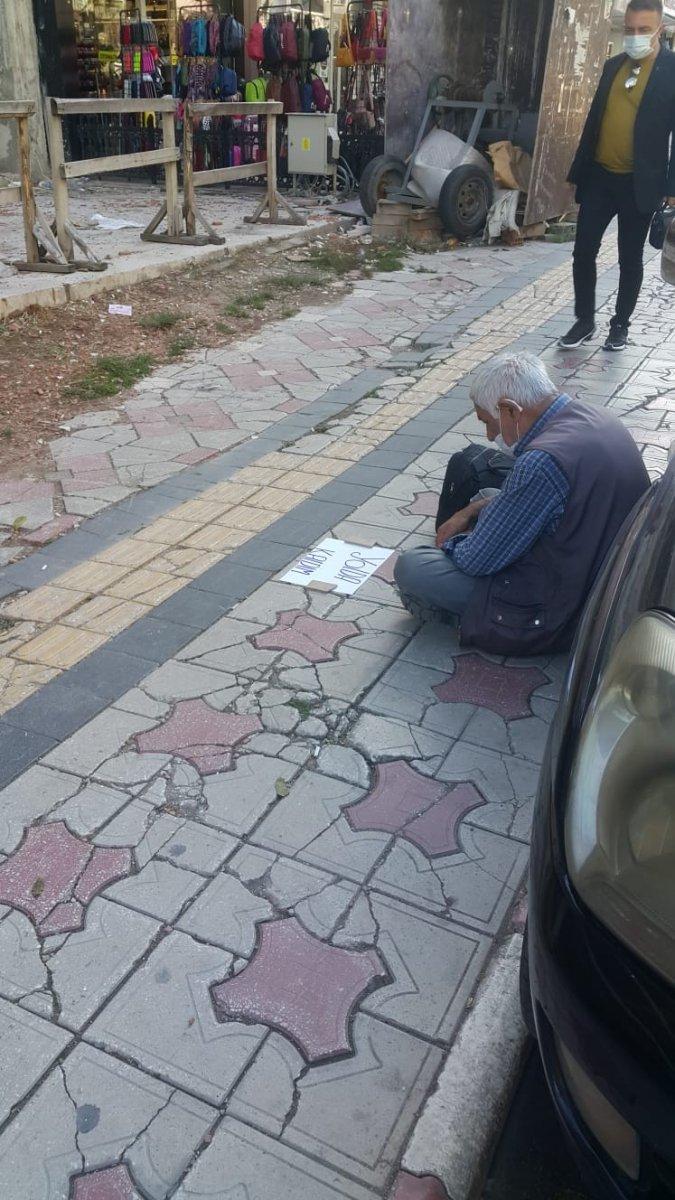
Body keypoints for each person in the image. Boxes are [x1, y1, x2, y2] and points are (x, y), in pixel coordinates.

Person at [394, 353, 650, 655]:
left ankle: (463, 615)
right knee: (487, 495)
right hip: (605, 572)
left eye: (489, 422)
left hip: (563, 605)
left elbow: (476, 561)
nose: (490, 435)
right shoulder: (597, 416)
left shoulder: (540, 463)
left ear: (510, 410)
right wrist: (472, 510)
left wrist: (453, 543)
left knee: (413, 565)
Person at [560, 0, 675, 353]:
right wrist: (579, 171)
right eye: (630, 29)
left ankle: (620, 325)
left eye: (643, 30)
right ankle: (584, 321)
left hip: (640, 183)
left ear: (660, 30)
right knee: (583, 251)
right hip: (599, 177)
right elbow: (595, 121)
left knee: (629, 259)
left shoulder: (672, 71)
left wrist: (672, 190)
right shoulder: (613, 66)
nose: (635, 36)